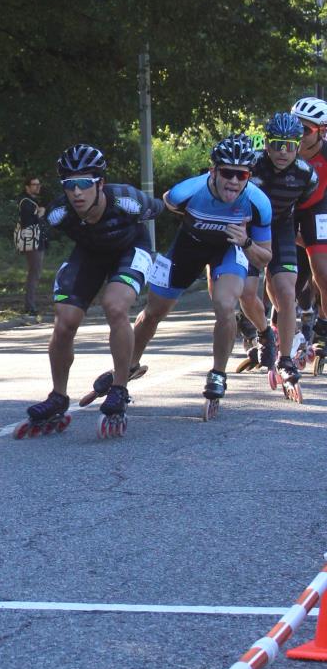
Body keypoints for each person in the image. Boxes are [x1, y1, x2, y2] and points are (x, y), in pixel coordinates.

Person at [20, 145, 163, 437]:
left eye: (84, 183)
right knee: (64, 321)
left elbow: (168, 207)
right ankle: (58, 396)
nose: (76, 192)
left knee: (115, 305)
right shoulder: (59, 213)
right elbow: (38, 230)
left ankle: (119, 388)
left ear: (100, 183)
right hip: (90, 254)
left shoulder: (128, 200)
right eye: (69, 185)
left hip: (131, 249)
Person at [130, 135, 272, 412]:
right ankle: (130, 365)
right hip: (187, 248)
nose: (234, 181)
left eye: (241, 175)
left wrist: (246, 242)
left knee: (225, 305)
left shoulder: (258, 203)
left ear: (249, 176)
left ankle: (218, 373)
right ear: (213, 171)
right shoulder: (186, 192)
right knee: (153, 312)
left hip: (228, 250)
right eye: (227, 173)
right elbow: (169, 203)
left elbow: (265, 257)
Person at [240, 112, 317, 390]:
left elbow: (305, 207)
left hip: (281, 227)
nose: (282, 152)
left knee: (286, 292)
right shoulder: (250, 165)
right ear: (266, 144)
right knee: (246, 293)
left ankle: (285, 360)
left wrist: (305, 237)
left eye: (289, 145)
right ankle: (265, 334)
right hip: (249, 228)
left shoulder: (307, 175)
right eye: (276, 144)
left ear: (298, 145)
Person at [290, 96, 327, 362]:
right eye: (295, 127)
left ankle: (323, 327)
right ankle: (275, 330)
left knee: (323, 273)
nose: (298, 134)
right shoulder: (283, 149)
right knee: (285, 277)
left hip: (318, 209)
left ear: (321, 131)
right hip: (287, 209)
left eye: (305, 129)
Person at [16, 175, 47, 317]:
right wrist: (40, 214)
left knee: (35, 272)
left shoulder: (31, 201)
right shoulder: (26, 202)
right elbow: (26, 223)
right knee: (34, 273)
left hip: (36, 241)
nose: (38, 187)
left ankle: (31, 305)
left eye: (38, 184)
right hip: (32, 242)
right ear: (27, 187)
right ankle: (30, 307)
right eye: (34, 184)